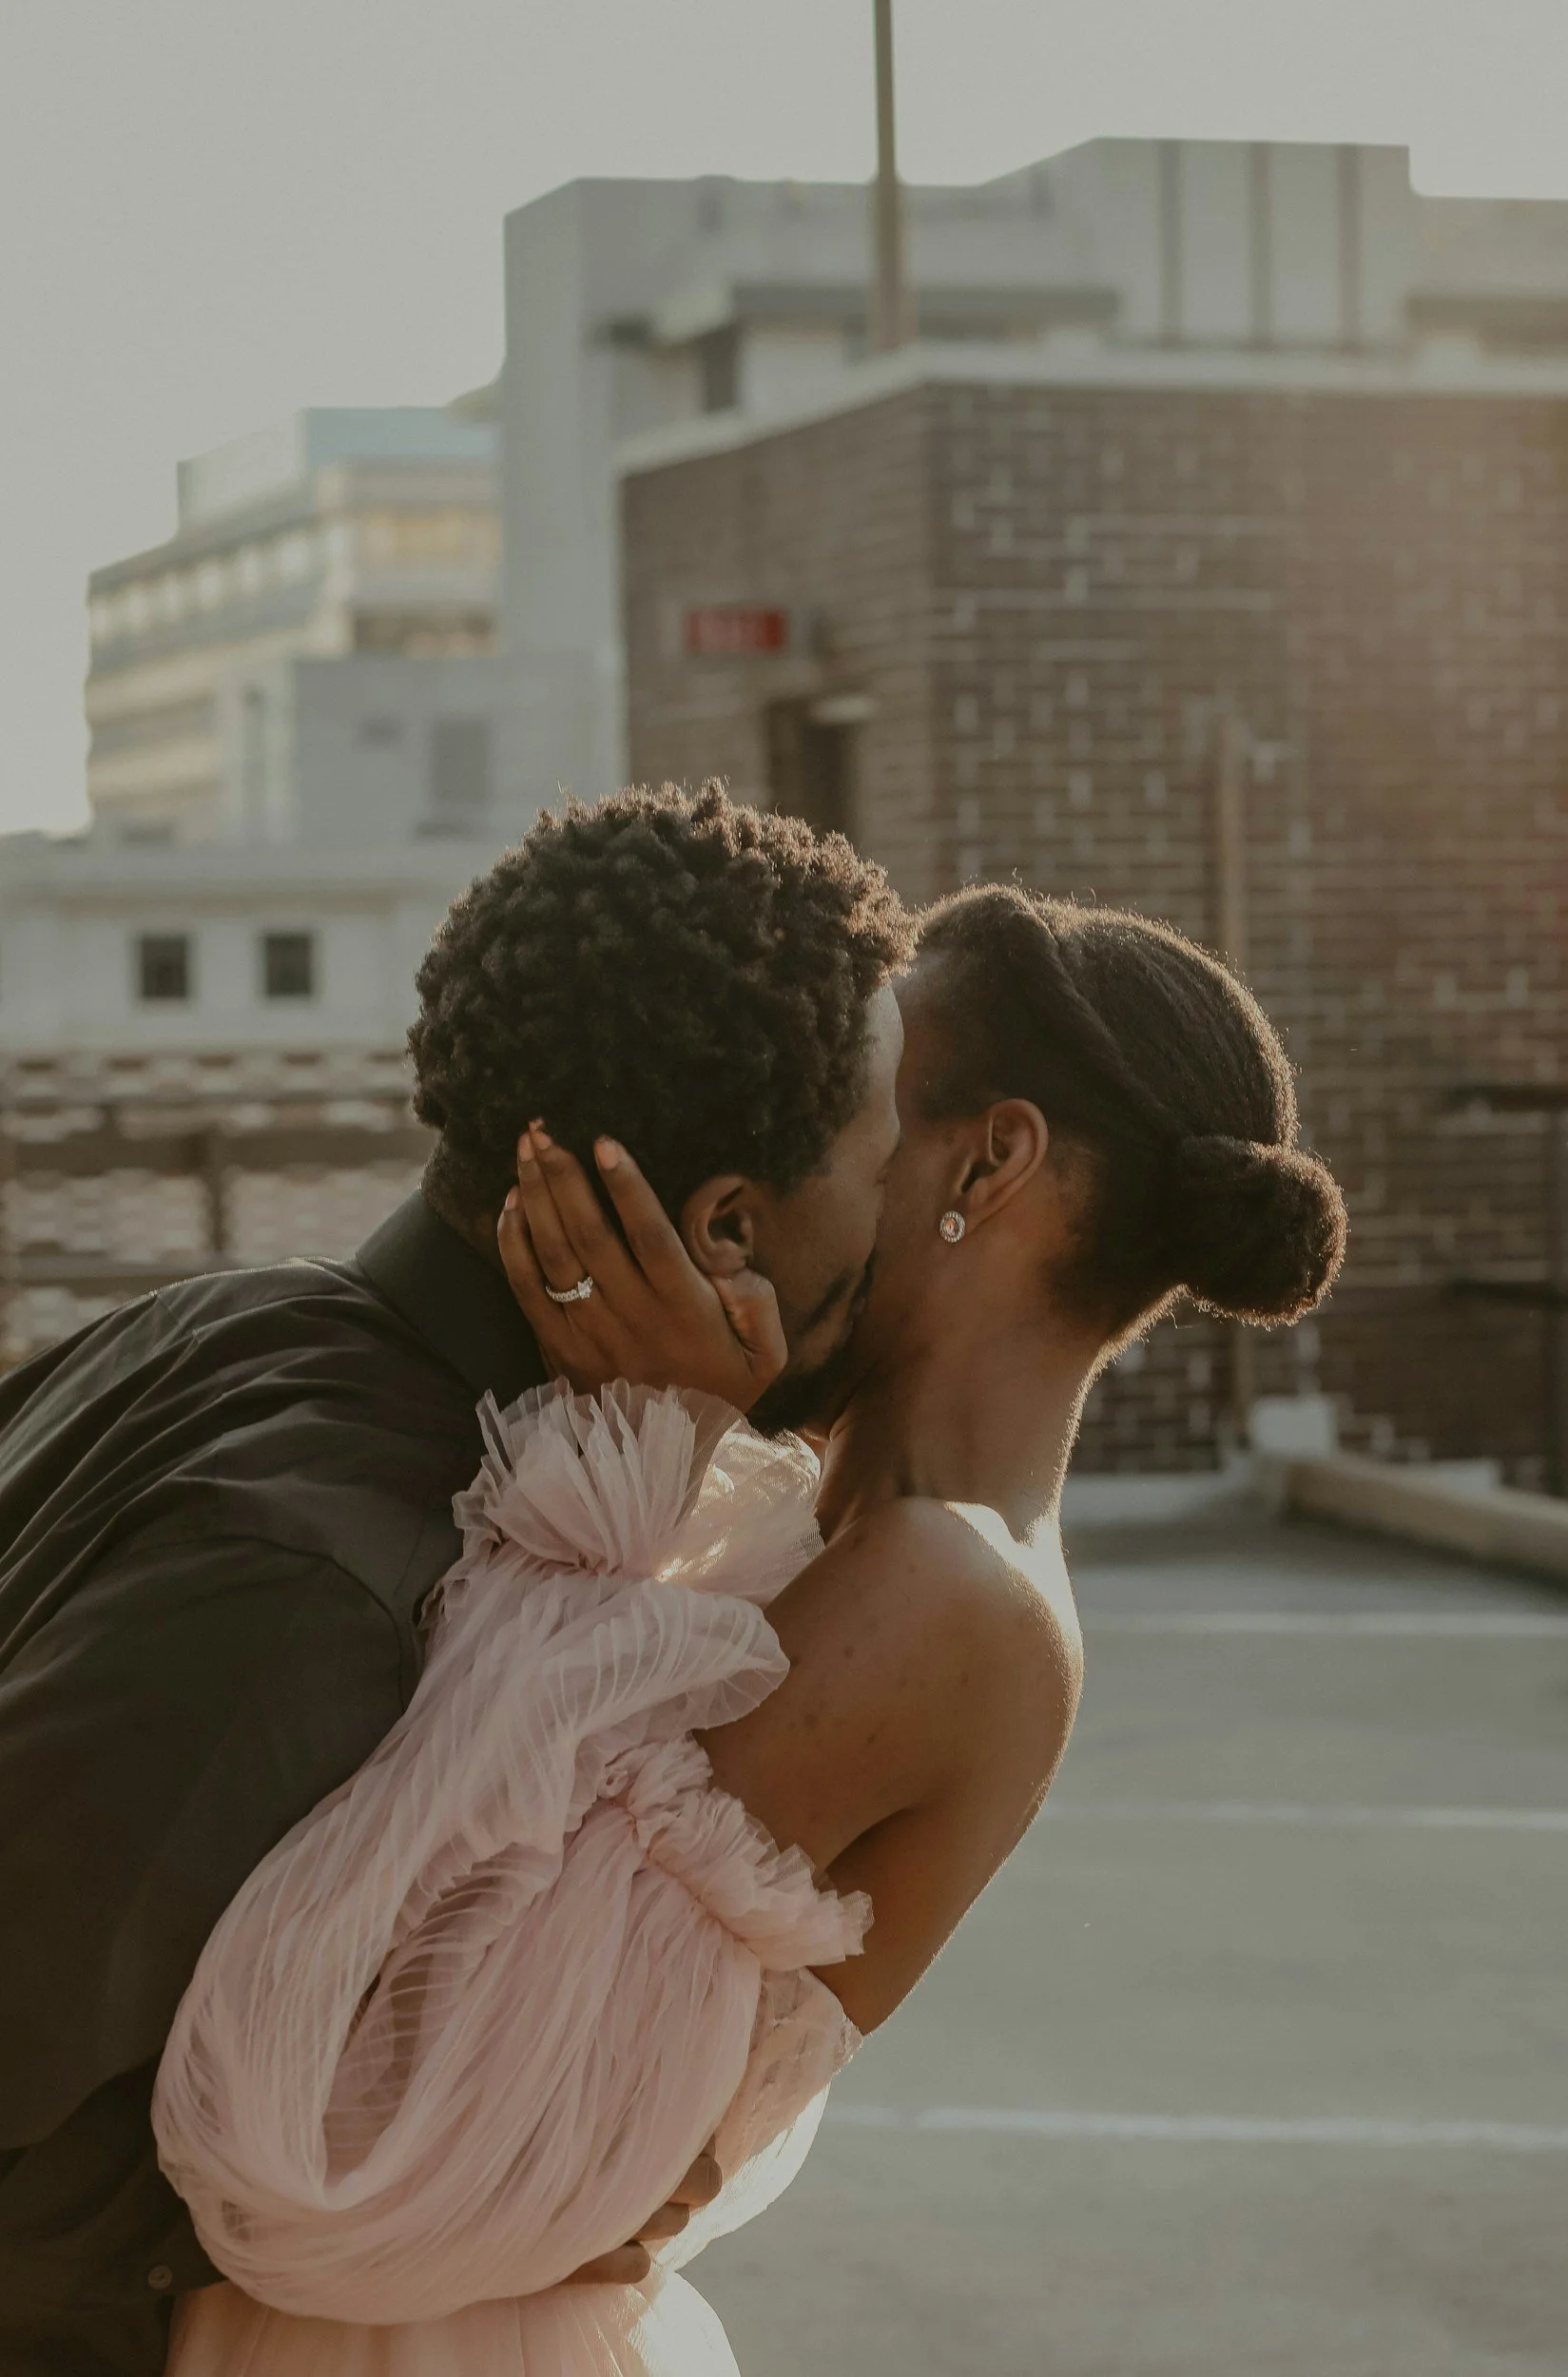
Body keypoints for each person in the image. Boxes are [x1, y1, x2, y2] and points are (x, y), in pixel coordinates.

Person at [150, 882, 1347, 2375]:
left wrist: (638, 1437)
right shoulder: (814, 1513)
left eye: (856, 1102)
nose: (781, 1142)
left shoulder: (941, 1591)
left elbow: (364, 2126)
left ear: (992, 1157)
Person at [0, 784, 912, 2377]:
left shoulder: (222, 1319)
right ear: (721, 1225)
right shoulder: (335, 1578)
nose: (904, 1225)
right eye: (877, 1167)